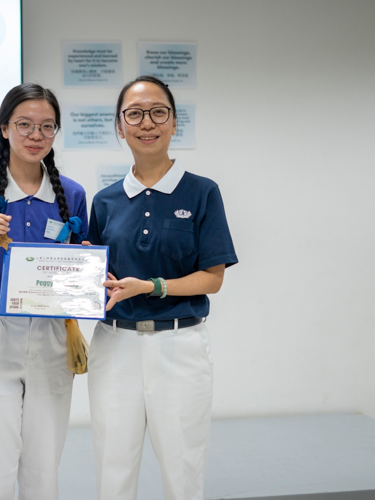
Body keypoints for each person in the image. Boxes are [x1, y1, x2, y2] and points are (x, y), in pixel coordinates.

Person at [86, 75, 238, 500]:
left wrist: (151, 286)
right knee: (112, 468)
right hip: (114, 347)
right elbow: (101, 281)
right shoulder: (105, 201)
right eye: (133, 114)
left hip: (180, 347)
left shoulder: (203, 192)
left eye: (158, 112)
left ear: (174, 123)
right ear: (120, 126)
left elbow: (213, 278)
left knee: (183, 470)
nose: (146, 123)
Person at [0, 83, 88, 500]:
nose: (35, 135)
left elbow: (80, 272)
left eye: (46, 126)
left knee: (44, 469)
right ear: (4, 129)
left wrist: (81, 266)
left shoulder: (72, 196)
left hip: (53, 335)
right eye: (24, 124)